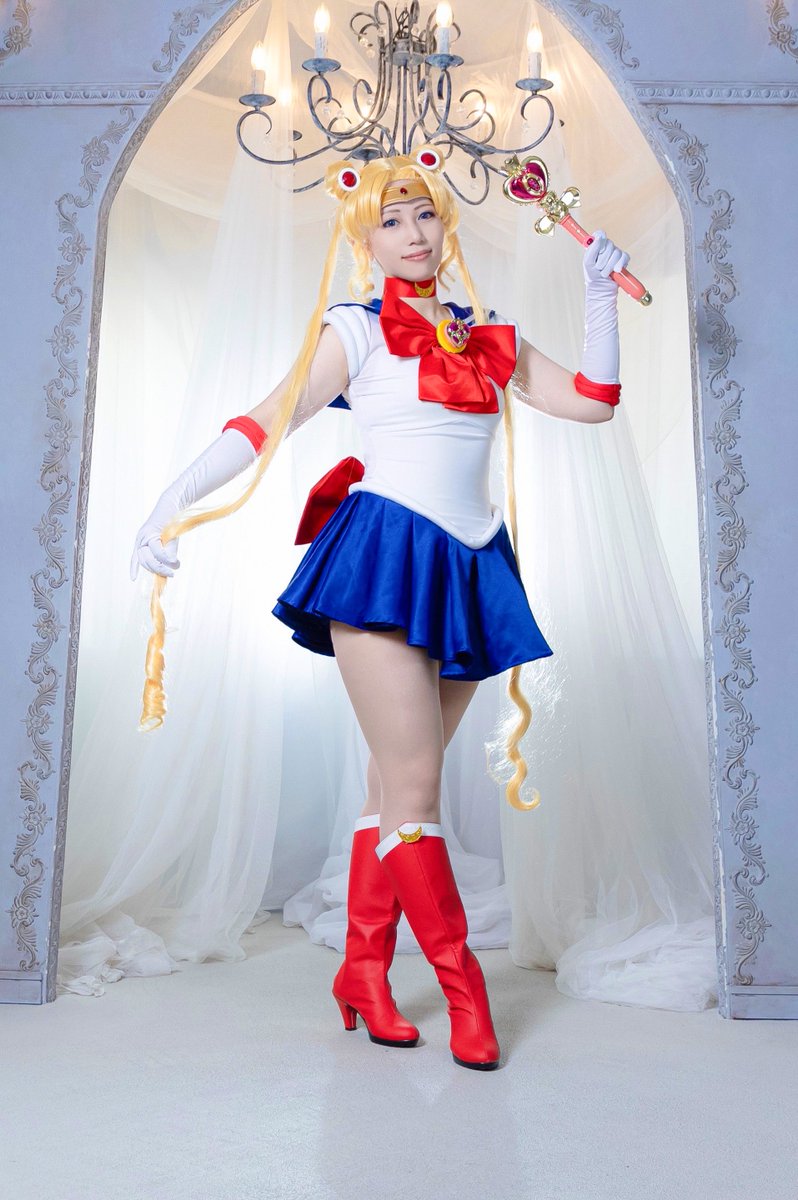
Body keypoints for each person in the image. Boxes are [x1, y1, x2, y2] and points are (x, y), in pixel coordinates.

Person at [130, 145, 629, 1071]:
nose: (411, 233)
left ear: (446, 224)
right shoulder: (355, 331)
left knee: (391, 789)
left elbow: (595, 402)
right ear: (366, 240)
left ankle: (362, 972)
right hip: (385, 561)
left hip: (471, 564)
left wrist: (598, 292)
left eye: (423, 214)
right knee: (417, 787)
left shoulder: (490, 333)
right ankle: (464, 992)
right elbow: (269, 417)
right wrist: (173, 501)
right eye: (390, 220)